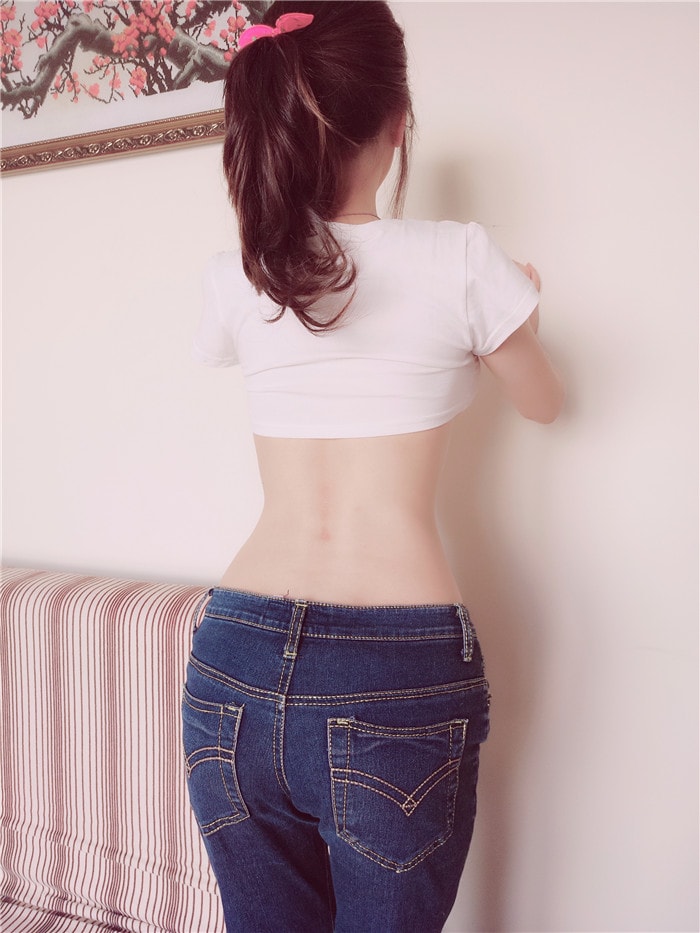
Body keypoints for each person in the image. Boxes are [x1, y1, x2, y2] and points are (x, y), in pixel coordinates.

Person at [181, 3, 564, 931]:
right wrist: (523, 304)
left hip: (232, 656)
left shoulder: (244, 272)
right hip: (393, 667)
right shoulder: (460, 258)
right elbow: (545, 402)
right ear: (397, 122)